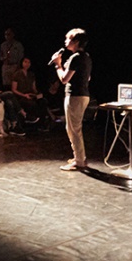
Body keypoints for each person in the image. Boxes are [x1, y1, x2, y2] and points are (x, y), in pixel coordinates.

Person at [53, 28, 92, 170]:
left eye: (68, 38)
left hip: (75, 96)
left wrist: (58, 64)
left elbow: (64, 79)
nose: (65, 41)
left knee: (73, 129)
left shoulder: (76, 57)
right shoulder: (86, 57)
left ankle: (79, 161)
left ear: (76, 41)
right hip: (83, 95)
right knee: (73, 128)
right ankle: (79, 157)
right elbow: (88, 77)